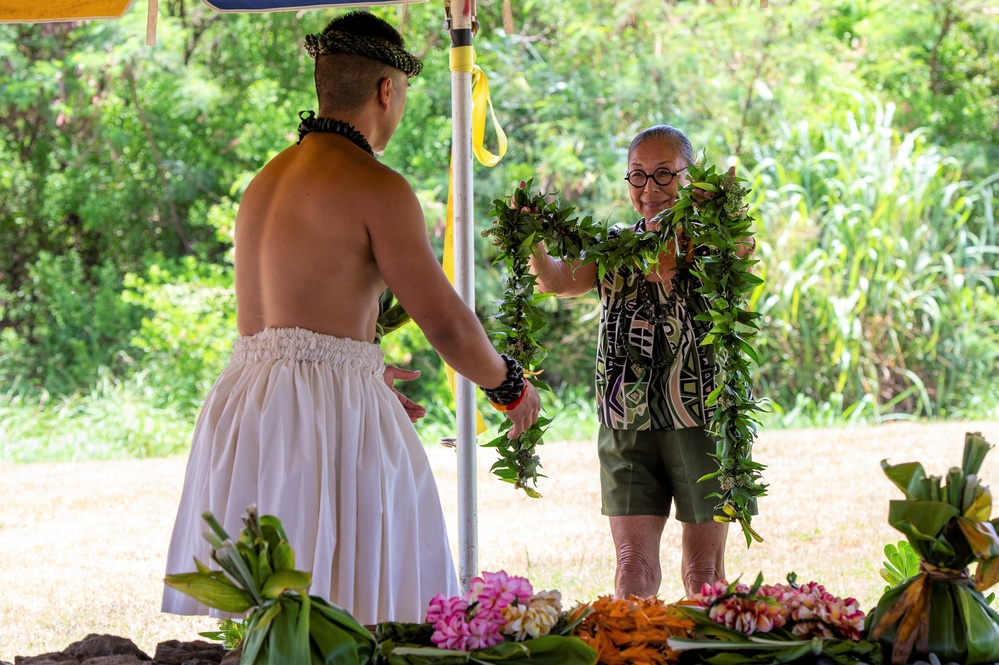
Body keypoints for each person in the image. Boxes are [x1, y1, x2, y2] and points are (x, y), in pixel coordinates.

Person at [162, 11, 540, 625]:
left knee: (274, 615)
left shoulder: (264, 181)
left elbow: (283, 327)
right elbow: (442, 321)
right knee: (358, 606)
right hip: (321, 416)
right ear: (386, 91)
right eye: (403, 95)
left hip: (248, 407)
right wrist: (507, 384)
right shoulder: (376, 185)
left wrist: (362, 367)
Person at [528, 125, 754, 600]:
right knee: (632, 570)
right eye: (637, 176)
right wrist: (530, 237)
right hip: (625, 418)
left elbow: (736, 265)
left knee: (703, 574)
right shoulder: (614, 247)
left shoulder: (717, 243)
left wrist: (724, 213)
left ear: (692, 178)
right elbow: (555, 281)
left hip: (702, 417)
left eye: (664, 174)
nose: (649, 188)